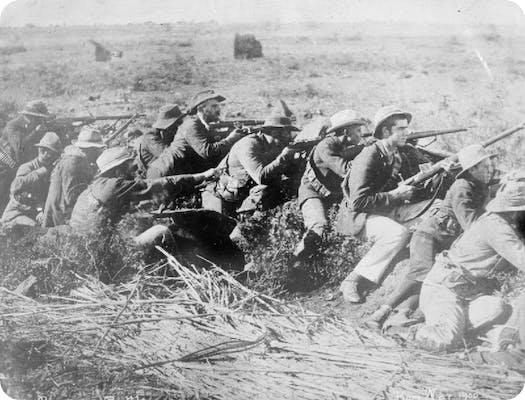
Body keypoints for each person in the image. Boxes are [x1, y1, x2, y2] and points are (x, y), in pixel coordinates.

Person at [367, 144, 497, 329]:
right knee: (420, 273)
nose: (491, 169)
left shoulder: (479, 185)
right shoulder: (463, 187)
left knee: (431, 279)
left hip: (444, 240)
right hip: (429, 236)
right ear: (473, 169)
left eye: (491, 164)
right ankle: (379, 313)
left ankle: (402, 314)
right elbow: (470, 224)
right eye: (486, 166)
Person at [412, 171, 525, 352]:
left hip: (468, 296)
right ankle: (415, 330)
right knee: (444, 341)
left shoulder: (505, 225)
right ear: (515, 212)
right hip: (444, 291)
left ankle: (461, 330)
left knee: (499, 308)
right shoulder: (496, 227)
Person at [338, 105, 430, 303]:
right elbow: (358, 202)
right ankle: (352, 280)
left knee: (434, 206)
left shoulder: (398, 153)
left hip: (384, 209)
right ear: (386, 131)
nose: (408, 132)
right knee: (397, 234)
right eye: (402, 129)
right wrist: (396, 195)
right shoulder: (368, 156)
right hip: (359, 217)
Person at [69, 146, 216, 237]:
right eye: (132, 167)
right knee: (162, 231)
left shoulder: (95, 186)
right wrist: (200, 176)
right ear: (118, 170)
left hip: (84, 240)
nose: (137, 170)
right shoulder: (115, 185)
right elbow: (160, 184)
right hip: (98, 247)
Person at [293, 109, 369, 261]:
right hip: (313, 192)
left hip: (332, 193)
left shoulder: (341, 145)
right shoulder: (326, 146)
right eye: (358, 130)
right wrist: (369, 154)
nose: (361, 134)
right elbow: (345, 170)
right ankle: (294, 263)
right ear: (346, 131)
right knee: (319, 226)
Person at [201, 105, 300, 216]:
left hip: (243, 195)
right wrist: (284, 157)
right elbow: (261, 178)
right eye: (287, 132)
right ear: (275, 133)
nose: (289, 137)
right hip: (220, 196)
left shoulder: (274, 146)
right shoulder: (249, 145)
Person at [146, 90, 245, 178]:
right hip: (164, 173)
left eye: (219, 106)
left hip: (175, 172)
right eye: (214, 106)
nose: (218, 109)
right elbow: (207, 152)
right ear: (201, 109)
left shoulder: (200, 124)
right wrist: (232, 138)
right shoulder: (192, 125)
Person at [41, 127, 106, 228]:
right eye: (97, 150)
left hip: (61, 218)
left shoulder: (78, 161)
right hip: (60, 222)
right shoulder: (74, 164)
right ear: (89, 149)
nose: (100, 153)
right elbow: (72, 199)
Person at [1, 132, 61, 229]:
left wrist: (42, 211)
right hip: (16, 213)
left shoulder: (53, 171)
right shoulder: (27, 167)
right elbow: (16, 186)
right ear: (38, 149)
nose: (45, 154)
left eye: (49, 152)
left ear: (55, 155)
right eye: (42, 150)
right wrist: (40, 173)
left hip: (36, 212)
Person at [0, 101, 53, 212]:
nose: (41, 122)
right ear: (30, 118)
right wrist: (36, 133)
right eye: (39, 119)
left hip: (16, 165)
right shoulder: (13, 127)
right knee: (4, 197)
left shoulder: (29, 125)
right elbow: (20, 148)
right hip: (6, 167)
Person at [135, 104, 184, 173]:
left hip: (170, 169)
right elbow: (169, 156)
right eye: (176, 123)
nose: (178, 125)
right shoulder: (151, 137)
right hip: (154, 175)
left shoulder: (170, 132)